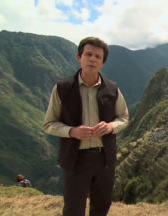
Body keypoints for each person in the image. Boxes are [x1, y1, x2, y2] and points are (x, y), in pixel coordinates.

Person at [43, 37, 129, 216]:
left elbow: (123, 118)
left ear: (102, 62)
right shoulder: (62, 88)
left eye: (98, 56)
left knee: (101, 207)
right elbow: (49, 123)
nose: (93, 59)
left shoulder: (112, 89)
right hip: (75, 160)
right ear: (79, 57)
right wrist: (72, 131)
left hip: (104, 159)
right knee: (73, 209)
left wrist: (110, 127)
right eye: (88, 54)